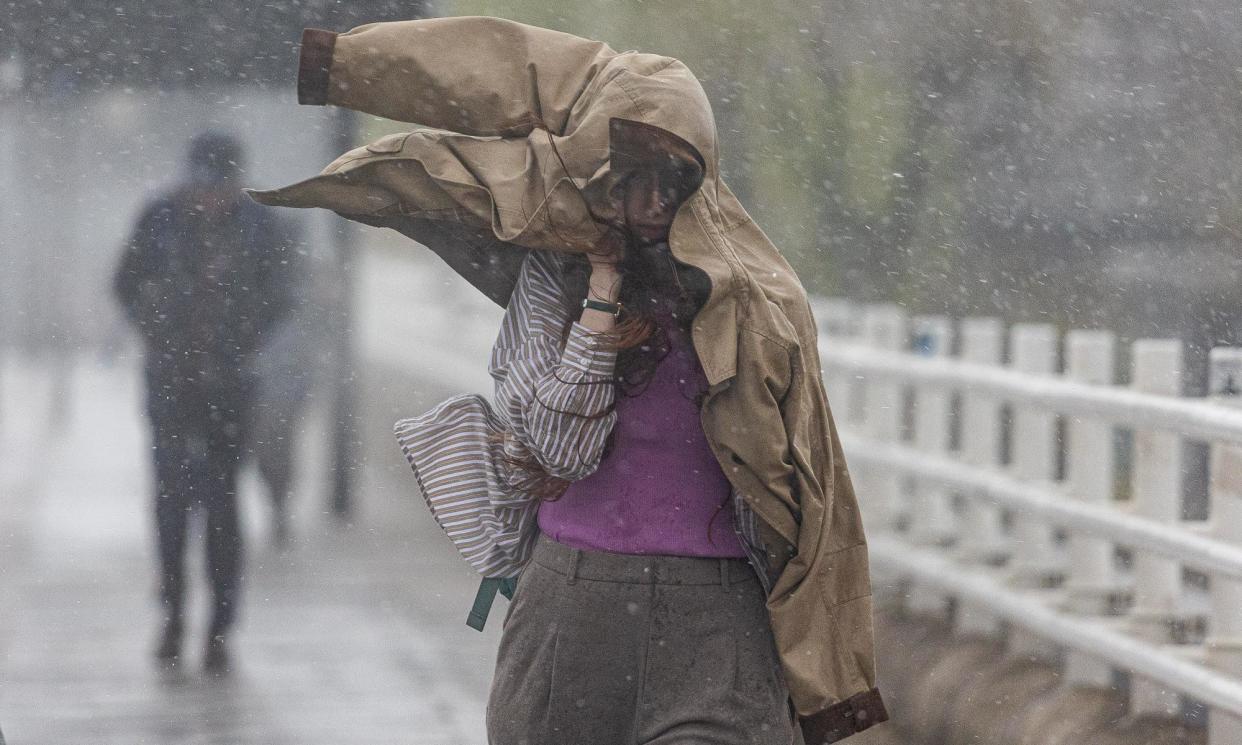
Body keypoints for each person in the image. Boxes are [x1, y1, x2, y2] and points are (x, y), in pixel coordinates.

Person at [249, 17, 888, 743]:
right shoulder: (554, 279)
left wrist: (829, 671)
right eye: (632, 177)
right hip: (571, 608)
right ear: (594, 173)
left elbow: (818, 489)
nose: (651, 202)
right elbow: (559, 448)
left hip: (716, 623)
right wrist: (600, 299)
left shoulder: (755, 298)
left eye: (671, 179)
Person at [113, 131, 301, 673]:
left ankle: (220, 625)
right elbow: (125, 283)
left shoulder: (260, 226)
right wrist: (159, 332)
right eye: (203, 186)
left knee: (221, 504)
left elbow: (282, 296)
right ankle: (172, 613)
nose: (210, 198)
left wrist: (238, 340)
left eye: (220, 187)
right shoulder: (159, 219)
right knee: (171, 501)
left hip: (230, 387)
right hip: (169, 383)